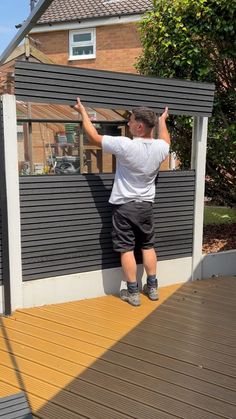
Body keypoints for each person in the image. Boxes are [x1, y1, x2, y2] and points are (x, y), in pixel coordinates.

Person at [74, 98, 170, 306]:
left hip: (125, 208)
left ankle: (133, 292)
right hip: (146, 206)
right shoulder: (161, 149)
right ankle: (152, 288)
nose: (128, 124)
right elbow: (165, 140)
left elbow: (93, 137)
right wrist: (163, 120)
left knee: (126, 249)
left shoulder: (126, 145)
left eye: (131, 121)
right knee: (147, 245)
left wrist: (82, 111)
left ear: (139, 126)